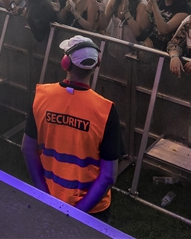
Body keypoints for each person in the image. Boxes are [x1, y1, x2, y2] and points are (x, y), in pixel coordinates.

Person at [23, 35, 124, 221]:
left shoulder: (41, 96)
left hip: (50, 196)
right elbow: (109, 176)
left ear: (65, 62)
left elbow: (28, 149)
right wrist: (76, 213)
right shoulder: (106, 110)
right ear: (96, 64)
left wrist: (45, 196)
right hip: (92, 210)